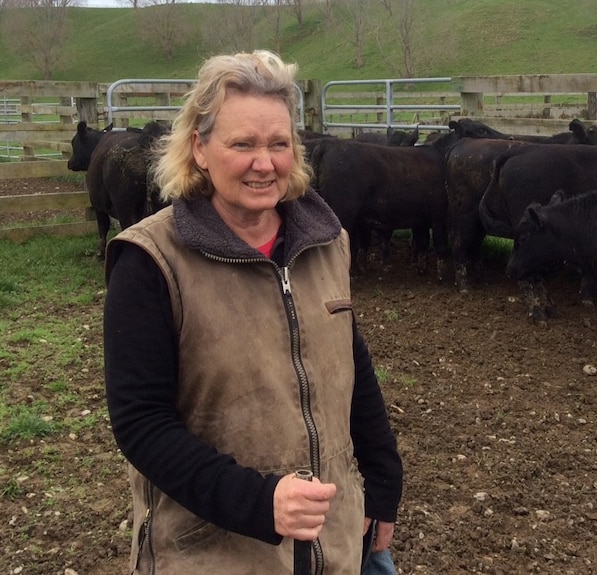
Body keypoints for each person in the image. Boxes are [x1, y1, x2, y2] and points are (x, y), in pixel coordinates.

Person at [103, 49, 403, 575]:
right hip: (214, 552)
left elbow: (352, 367)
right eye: (242, 144)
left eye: (278, 144)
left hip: (333, 541)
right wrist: (260, 502)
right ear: (199, 148)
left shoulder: (327, 243)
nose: (264, 164)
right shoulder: (151, 262)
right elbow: (140, 424)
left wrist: (382, 485)